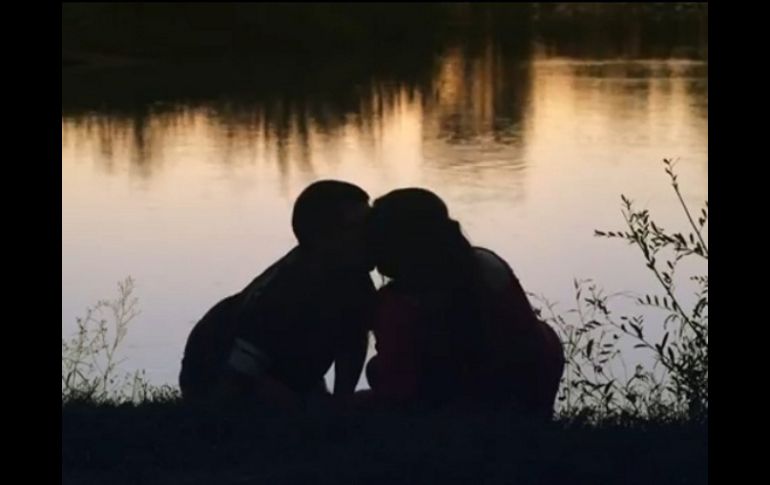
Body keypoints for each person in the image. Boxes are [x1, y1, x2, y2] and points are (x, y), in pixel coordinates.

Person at [363, 188, 564, 418]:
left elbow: (397, 388)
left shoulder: (398, 303)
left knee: (375, 375)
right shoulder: (486, 262)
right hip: (532, 379)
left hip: (471, 401)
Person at [180, 180, 376, 410]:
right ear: (321, 238)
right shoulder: (289, 290)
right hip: (218, 373)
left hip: (274, 374)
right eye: (357, 228)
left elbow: (353, 341)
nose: (371, 236)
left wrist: (342, 400)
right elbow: (241, 374)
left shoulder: (355, 278)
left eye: (371, 226)